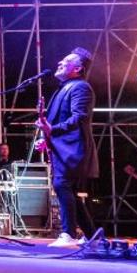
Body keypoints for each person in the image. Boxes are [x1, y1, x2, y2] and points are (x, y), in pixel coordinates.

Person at [36, 48, 97, 246]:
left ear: (78, 68)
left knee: (62, 185)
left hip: (73, 149)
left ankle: (68, 234)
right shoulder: (65, 88)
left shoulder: (80, 87)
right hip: (63, 148)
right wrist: (47, 137)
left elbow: (79, 118)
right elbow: (57, 124)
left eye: (66, 60)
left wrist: (51, 129)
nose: (60, 62)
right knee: (68, 189)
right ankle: (92, 236)